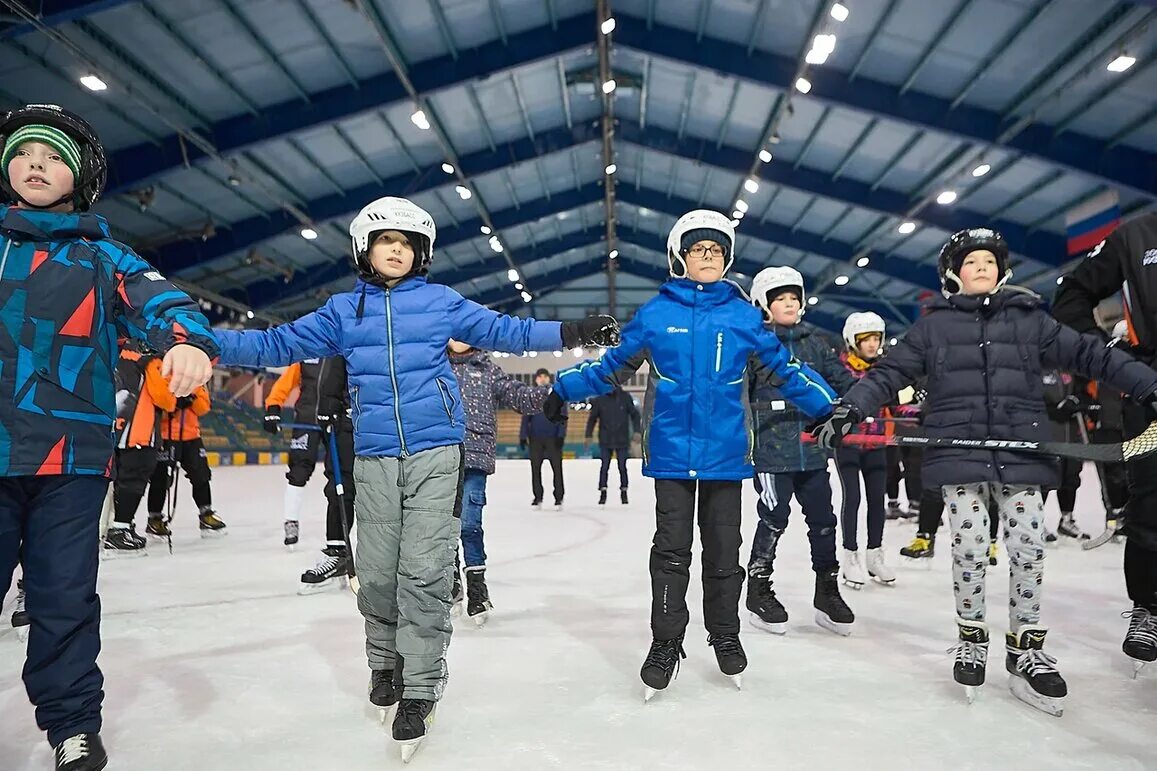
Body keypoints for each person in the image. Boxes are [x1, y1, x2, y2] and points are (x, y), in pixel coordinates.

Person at [211, 196, 619, 758]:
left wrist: (574, 330)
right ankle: (384, 664)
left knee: (424, 572)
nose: (396, 249)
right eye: (385, 241)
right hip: (374, 456)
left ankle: (422, 687)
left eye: (406, 242)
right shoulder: (341, 311)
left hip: (436, 453)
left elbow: (510, 332)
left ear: (420, 252)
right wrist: (204, 341)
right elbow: (273, 344)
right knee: (376, 574)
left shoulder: (441, 303)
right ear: (365, 249)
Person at [810, 227, 1157, 716]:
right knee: (971, 547)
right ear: (953, 274)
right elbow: (889, 374)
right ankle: (972, 637)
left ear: (1002, 272)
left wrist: (1147, 385)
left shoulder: (1030, 320)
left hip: (1022, 452)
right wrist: (850, 409)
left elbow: (1091, 354)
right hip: (960, 452)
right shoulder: (933, 327)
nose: (981, 268)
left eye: (989, 262)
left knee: (1029, 547)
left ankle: (1026, 648)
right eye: (971, 262)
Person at [0, 104, 216, 771]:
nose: (38, 163)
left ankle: (73, 724)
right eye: (26, 151)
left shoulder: (104, 256)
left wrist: (186, 346)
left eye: (54, 155)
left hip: (71, 459)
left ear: (81, 176)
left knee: (63, 596)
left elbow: (166, 304)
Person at [543, 210, 837, 700]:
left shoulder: (743, 316)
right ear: (680, 256)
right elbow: (613, 366)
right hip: (672, 454)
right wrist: (564, 387)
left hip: (725, 455)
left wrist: (829, 408)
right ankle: (666, 642)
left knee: (724, 554)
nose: (708, 256)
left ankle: (725, 633)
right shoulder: (657, 314)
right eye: (700, 249)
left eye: (717, 250)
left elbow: (786, 370)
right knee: (671, 554)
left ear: (727, 259)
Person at [1052, 212, 1157, 669]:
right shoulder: (1137, 235)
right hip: (1151, 392)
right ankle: (1148, 608)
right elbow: (1070, 297)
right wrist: (1110, 356)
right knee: (1151, 503)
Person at [744, 266, 855, 636]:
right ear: (764, 305)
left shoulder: (816, 342)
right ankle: (758, 589)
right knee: (774, 517)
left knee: (824, 521)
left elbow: (843, 383)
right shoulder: (756, 345)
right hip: (772, 454)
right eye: (781, 300)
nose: (790, 305)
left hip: (813, 453)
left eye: (794, 299)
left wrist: (855, 404)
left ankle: (827, 590)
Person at [448, 339, 550, 624]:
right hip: (439, 457)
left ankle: (477, 590)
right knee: (442, 525)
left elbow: (519, 396)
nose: (459, 339)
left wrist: (553, 394)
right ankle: (451, 581)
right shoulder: (434, 367)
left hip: (475, 458)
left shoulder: (489, 370)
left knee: (469, 524)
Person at [835, 312, 896, 589]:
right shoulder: (841, 370)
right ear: (852, 341)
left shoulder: (883, 370)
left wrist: (918, 411)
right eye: (866, 339)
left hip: (877, 443)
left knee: (877, 500)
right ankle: (851, 555)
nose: (872, 345)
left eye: (876, 339)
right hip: (849, 443)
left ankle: (875, 554)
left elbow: (894, 404)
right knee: (853, 498)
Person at [104, 344, 176, 557]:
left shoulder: (113, 354)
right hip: (139, 431)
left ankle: (111, 527)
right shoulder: (151, 362)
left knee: (112, 482)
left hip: (111, 430)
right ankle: (120, 529)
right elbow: (165, 399)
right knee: (134, 481)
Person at [296, 356, 357, 594]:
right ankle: (337, 552)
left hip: (385, 419)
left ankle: (383, 560)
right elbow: (335, 367)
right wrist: (328, 403)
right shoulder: (350, 327)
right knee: (341, 485)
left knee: (383, 488)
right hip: (348, 420)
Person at [145, 383, 226, 538]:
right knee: (161, 479)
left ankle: (206, 514)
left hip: (191, 436)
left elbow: (203, 408)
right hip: (166, 435)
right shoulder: (163, 375)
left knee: (201, 475)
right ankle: (154, 519)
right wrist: (174, 403)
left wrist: (191, 399)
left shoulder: (197, 380)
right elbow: (157, 400)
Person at [262, 358, 327, 549]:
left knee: (342, 474)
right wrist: (273, 407)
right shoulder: (306, 356)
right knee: (298, 471)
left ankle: (342, 525)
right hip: (306, 421)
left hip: (336, 421)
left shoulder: (342, 354)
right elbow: (285, 383)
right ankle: (291, 521)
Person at [584, 385, 641, 504]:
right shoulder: (600, 399)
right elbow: (592, 418)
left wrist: (637, 431)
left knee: (622, 467)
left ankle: (624, 491)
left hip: (622, 439)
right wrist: (588, 435)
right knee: (604, 467)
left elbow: (635, 415)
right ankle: (603, 491)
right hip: (606, 439)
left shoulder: (625, 397)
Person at [520, 368, 566, 508]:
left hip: (552, 438)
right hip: (535, 439)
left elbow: (562, 415)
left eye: (545, 376)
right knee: (535, 469)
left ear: (548, 378)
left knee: (557, 469)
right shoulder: (531, 395)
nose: (542, 379)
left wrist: (561, 435)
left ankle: (559, 497)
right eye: (540, 377)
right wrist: (523, 436)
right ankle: (537, 496)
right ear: (536, 379)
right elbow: (526, 417)